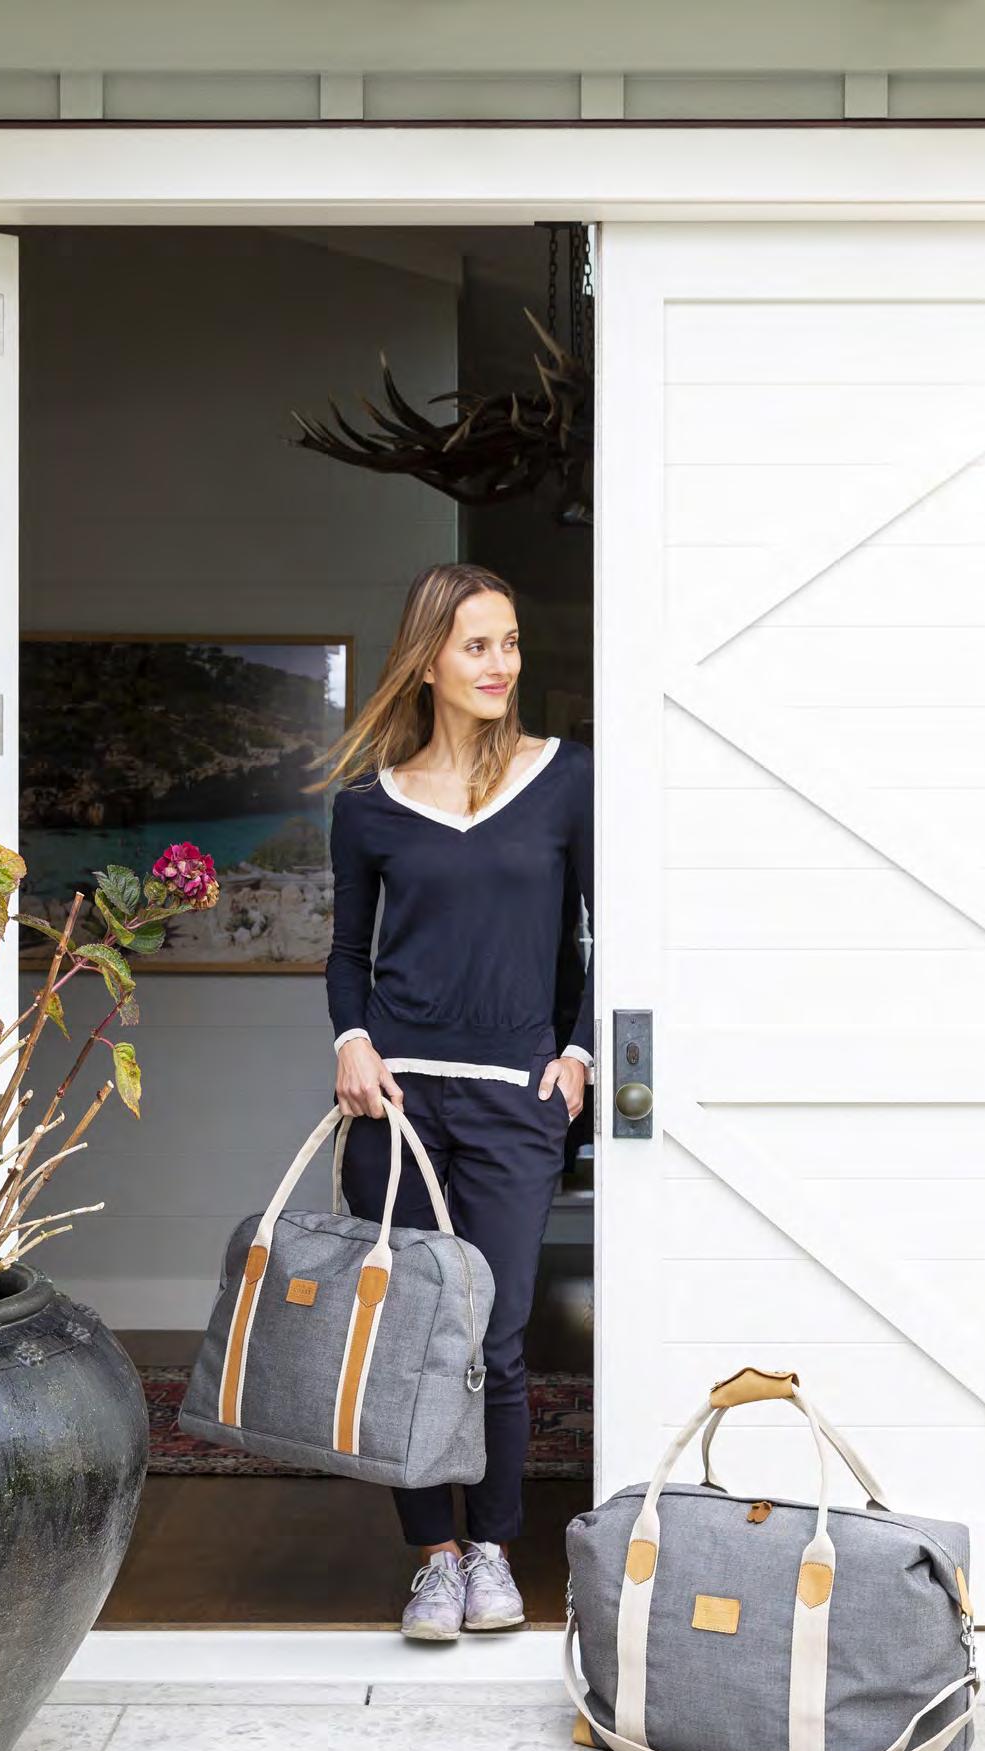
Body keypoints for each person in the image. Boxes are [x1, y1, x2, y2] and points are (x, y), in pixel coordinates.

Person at [316, 561, 594, 1641]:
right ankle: (433, 1559)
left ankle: (493, 1550)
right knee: (408, 1336)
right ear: (427, 660)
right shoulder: (367, 807)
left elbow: (605, 930)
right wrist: (350, 1041)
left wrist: (576, 1054)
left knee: (497, 1338)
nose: (500, 664)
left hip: (515, 1101)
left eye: (510, 642)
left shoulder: (565, 779)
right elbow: (348, 953)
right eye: (477, 645)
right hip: (395, 1106)